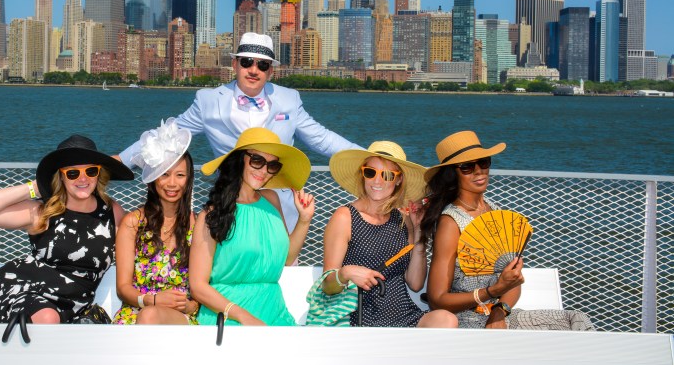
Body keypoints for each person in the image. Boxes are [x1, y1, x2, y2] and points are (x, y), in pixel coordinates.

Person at [116, 32, 361, 231]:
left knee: (283, 268)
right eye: (246, 62)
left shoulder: (289, 99)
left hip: (278, 208)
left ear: (271, 71)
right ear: (234, 64)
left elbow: (321, 138)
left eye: (262, 65)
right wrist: (116, 163)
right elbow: (166, 136)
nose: (253, 70)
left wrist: (367, 158)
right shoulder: (208, 101)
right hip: (230, 204)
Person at [421, 131, 594, 330]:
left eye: (484, 162)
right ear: (452, 174)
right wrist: (492, 290)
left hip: (501, 314)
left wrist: (499, 311)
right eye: (467, 167)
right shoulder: (451, 222)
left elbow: (513, 282)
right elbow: (437, 299)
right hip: (466, 320)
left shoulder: (496, 213)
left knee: (576, 320)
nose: (479, 171)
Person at [0, 134, 134, 324]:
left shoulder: (112, 212)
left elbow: (140, 245)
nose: (83, 179)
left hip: (74, 305)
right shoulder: (44, 211)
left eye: (91, 171)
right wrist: (36, 186)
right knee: (47, 317)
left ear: (98, 174)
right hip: (24, 291)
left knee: (52, 318)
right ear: (61, 176)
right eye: (73, 173)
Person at [322, 141, 457, 328]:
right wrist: (346, 273)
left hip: (404, 315)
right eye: (370, 172)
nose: (377, 181)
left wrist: (418, 233)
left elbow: (415, 283)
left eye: (387, 175)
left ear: (398, 179)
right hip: (360, 316)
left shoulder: (403, 219)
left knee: (446, 320)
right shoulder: (345, 217)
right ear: (363, 175)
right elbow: (328, 285)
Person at [190, 127, 315, 326]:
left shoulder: (272, 200)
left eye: (272, 165)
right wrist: (242, 316)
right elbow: (197, 286)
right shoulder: (211, 215)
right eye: (257, 161)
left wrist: (304, 219)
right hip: (228, 315)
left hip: (274, 311)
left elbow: (287, 258)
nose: (264, 171)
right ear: (240, 160)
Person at [114, 118, 199, 325]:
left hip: (180, 315)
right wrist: (152, 300)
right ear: (153, 179)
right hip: (138, 310)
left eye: (180, 175)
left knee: (150, 316)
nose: (172, 183)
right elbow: (123, 288)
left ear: (188, 179)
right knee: (148, 315)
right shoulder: (133, 222)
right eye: (164, 175)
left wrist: (192, 305)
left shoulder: (198, 224)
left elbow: (205, 282)